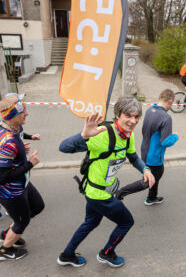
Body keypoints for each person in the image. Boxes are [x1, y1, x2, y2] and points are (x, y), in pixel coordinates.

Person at [56, 95, 155, 268]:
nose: (133, 121)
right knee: (126, 222)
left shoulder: (128, 135)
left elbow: (132, 156)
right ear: (118, 115)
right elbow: (63, 147)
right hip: (98, 194)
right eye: (128, 115)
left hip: (96, 191)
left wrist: (145, 169)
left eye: (136, 116)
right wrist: (84, 135)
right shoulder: (102, 134)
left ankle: (67, 255)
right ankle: (107, 253)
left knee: (91, 222)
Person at [0, 93, 44, 261]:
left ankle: (8, 233)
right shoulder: (8, 142)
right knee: (22, 221)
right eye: (23, 112)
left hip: (23, 184)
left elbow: (17, 135)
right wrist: (29, 164)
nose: (26, 113)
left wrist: (23, 146)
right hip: (10, 192)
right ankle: (4, 250)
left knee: (38, 207)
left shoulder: (12, 127)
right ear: (12, 116)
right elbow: (3, 178)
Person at [115, 89, 179, 205]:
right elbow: (165, 142)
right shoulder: (166, 118)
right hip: (154, 156)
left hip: (145, 150)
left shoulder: (150, 110)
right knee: (148, 180)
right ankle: (121, 192)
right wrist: (175, 136)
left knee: (155, 176)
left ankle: (152, 197)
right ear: (170, 101)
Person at [0, 132, 41, 218]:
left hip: (13, 170)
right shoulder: (4, 129)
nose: (25, 117)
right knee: (21, 221)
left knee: (20, 190)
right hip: (5, 169)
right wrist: (11, 152)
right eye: (23, 117)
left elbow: (20, 133)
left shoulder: (16, 126)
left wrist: (30, 137)